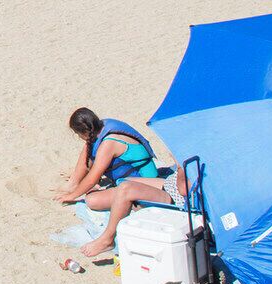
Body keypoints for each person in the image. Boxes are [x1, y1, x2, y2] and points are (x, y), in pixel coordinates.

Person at [54, 108, 186, 259]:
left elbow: (92, 177)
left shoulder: (109, 143)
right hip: (162, 183)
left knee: (93, 199)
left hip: (157, 186)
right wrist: (76, 183)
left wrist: (73, 196)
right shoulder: (102, 128)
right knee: (104, 187)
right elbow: (89, 154)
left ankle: (107, 239)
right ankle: (74, 183)